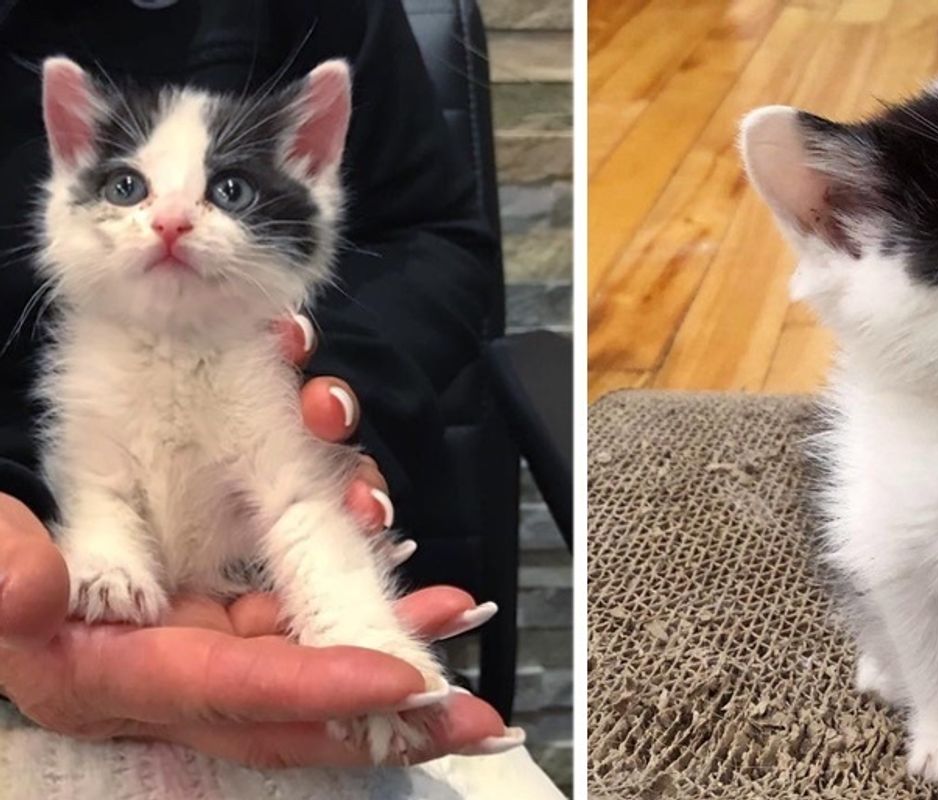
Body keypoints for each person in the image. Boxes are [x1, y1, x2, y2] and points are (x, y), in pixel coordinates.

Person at [0, 0, 562, 793]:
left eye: (227, 191)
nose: (170, 219)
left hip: (254, 634)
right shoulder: (89, 359)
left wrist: (341, 373)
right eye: (128, 186)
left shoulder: (335, 18)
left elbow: (298, 507)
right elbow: (96, 487)